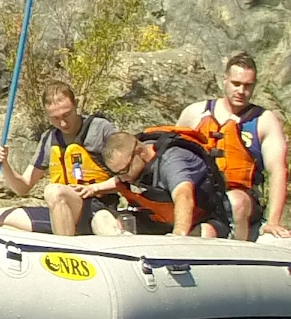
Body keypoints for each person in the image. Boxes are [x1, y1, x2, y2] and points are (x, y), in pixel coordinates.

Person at [175, 53, 289, 240]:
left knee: (235, 202)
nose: (241, 91)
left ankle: (240, 257)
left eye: (248, 85)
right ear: (225, 80)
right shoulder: (194, 113)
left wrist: (273, 221)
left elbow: (278, 171)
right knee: (203, 231)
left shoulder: (264, 121)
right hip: (201, 195)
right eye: (236, 84)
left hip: (243, 199)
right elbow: (173, 158)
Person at [0, 82, 123, 235]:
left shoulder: (101, 129)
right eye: (55, 118)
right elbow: (22, 187)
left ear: (76, 104)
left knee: (54, 191)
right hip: (63, 210)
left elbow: (128, 176)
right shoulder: (49, 139)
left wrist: (94, 188)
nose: (63, 123)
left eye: (67, 114)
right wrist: (4, 164)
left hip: (97, 206)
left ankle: (67, 252)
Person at [105, 126, 234, 239]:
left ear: (140, 152)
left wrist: (177, 236)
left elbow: (184, 195)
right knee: (107, 221)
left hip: (199, 220)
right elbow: (118, 181)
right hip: (159, 221)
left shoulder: (172, 160)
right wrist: (92, 189)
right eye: (116, 173)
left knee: (205, 232)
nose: (122, 178)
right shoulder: (133, 165)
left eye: (124, 171)